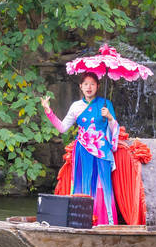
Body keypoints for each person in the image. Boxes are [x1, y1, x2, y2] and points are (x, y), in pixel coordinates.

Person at [40, 72, 120, 225]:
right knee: (82, 183)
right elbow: (63, 128)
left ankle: (106, 222)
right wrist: (48, 111)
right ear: (81, 87)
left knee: (103, 185)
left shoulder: (105, 104)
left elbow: (114, 129)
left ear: (97, 86)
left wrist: (109, 117)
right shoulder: (76, 106)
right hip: (82, 150)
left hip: (102, 151)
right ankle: (81, 221)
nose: (89, 87)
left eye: (92, 84)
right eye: (86, 84)